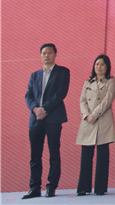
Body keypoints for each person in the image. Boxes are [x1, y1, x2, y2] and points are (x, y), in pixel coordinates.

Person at [23, 43, 70, 199]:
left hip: (53, 118)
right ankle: (35, 188)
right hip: (36, 119)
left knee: (54, 154)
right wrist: (35, 109)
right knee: (35, 155)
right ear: (40, 55)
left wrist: (45, 109)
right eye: (44, 53)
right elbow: (28, 95)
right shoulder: (34, 75)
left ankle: (51, 186)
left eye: (49, 53)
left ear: (55, 54)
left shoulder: (63, 72)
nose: (46, 55)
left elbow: (61, 93)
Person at [75, 55, 115, 196]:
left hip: (103, 120)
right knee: (86, 156)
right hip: (88, 121)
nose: (99, 66)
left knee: (102, 156)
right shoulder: (88, 82)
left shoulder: (111, 81)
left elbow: (108, 100)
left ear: (107, 67)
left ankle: (100, 187)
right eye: (97, 64)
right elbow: (82, 100)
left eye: (102, 64)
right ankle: (83, 187)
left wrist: (95, 114)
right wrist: (87, 115)